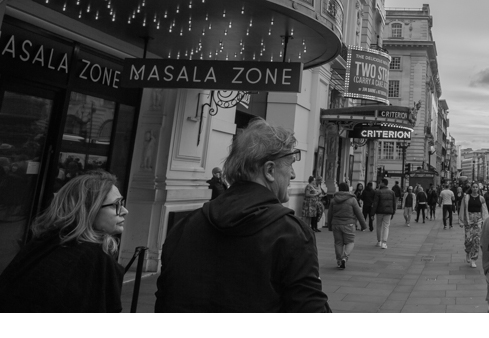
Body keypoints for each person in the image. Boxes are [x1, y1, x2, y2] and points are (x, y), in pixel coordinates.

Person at [155, 120, 330, 312]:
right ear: (270, 170)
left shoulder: (185, 225)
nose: (294, 175)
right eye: (290, 165)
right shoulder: (291, 234)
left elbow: (165, 302)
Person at [0, 170, 127, 312]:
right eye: (115, 205)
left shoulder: (44, 243)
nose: (124, 211)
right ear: (88, 209)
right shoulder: (91, 259)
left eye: (122, 203)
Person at [329, 181, 366, 269]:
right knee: (350, 242)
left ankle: (338, 260)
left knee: (338, 242)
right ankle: (344, 258)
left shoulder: (334, 200)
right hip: (349, 224)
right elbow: (358, 213)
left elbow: (330, 214)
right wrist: (363, 225)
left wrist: (330, 225)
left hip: (336, 224)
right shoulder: (352, 199)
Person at [460, 181, 488, 268]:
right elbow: (462, 209)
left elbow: (484, 210)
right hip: (469, 220)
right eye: (473, 187)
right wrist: (461, 221)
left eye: (476, 187)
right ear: (471, 188)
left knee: (476, 240)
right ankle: (468, 252)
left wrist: (485, 221)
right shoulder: (466, 198)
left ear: (478, 188)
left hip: (478, 221)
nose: (475, 188)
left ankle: (473, 259)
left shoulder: (481, 198)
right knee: (468, 239)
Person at [372, 178, 397, 248]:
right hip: (388, 211)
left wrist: (372, 213)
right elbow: (394, 203)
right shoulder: (392, 192)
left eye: (380, 182)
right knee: (386, 226)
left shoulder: (378, 192)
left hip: (379, 211)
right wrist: (393, 211)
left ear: (383, 183)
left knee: (379, 226)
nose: (379, 184)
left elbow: (375, 203)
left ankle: (379, 241)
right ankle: (384, 242)